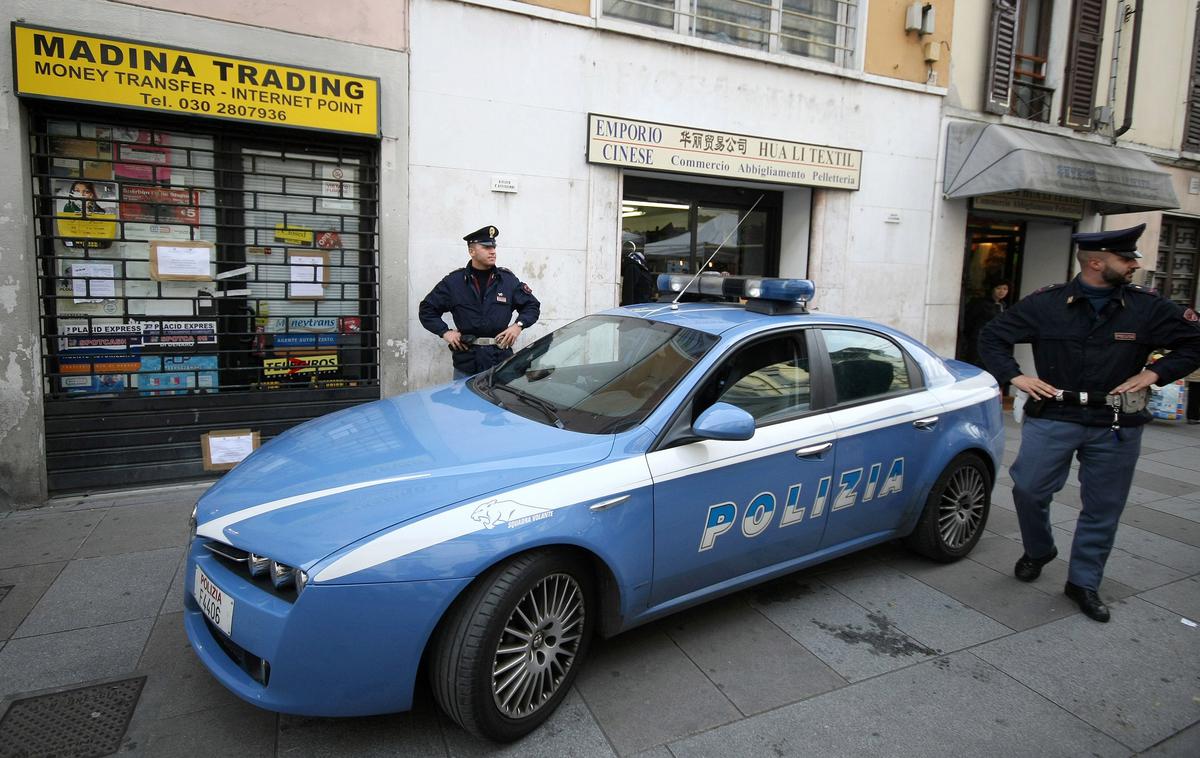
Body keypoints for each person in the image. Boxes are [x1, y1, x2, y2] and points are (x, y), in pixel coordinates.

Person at [979, 223, 1200, 623]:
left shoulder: (1146, 306)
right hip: (1055, 413)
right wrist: (1015, 377)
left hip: (1116, 420)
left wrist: (1156, 374)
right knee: (1028, 489)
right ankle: (1039, 549)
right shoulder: (1046, 303)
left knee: (1103, 507)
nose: (1135, 264)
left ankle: (1083, 582)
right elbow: (992, 336)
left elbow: (1196, 339)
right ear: (1097, 262)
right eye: (1127, 258)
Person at [419, 225, 540, 379]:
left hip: (500, 362)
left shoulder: (507, 281)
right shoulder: (453, 282)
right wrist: (445, 332)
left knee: (501, 403)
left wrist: (518, 326)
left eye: (494, 247)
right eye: (486, 247)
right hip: (467, 362)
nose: (493, 251)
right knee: (464, 402)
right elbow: (427, 310)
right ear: (472, 251)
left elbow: (532, 305)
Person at [963, 279, 1009, 368]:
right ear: (992, 289)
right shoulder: (980, 303)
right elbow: (969, 320)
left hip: (994, 340)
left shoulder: (1003, 305)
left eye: (1005, 289)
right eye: (998, 288)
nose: (1002, 291)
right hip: (978, 339)